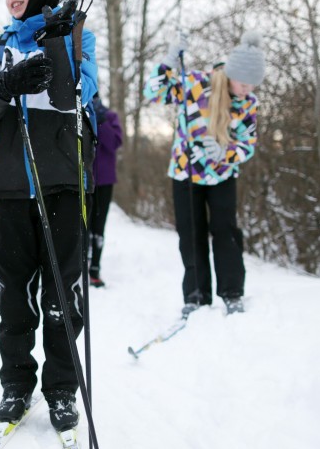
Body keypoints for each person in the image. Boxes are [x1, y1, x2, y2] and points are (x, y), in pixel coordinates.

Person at [0, 0, 98, 432]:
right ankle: (16, 384)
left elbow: (71, 99)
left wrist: (57, 43)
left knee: (61, 295)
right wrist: (6, 82)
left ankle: (61, 389)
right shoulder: (1, 43)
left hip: (61, 185)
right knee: (14, 296)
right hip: (12, 189)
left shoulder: (79, 35)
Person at [143, 31, 264, 316]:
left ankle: (232, 293)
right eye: (244, 82)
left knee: (226, 232)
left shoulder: (248, 104)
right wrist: (170, 59)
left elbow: (248, 145)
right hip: (186, 173)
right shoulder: (197, 85)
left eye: (252, 84)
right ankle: (196, 296)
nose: (247, 89)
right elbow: (153, 92)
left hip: (222, 176)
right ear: (232, 74)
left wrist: (226, 154)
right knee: (191, 234)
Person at [88, 95, 122, 288]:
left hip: (104, 182)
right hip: (82, 180)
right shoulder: (79, 113)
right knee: (82, 225)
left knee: (98, 226)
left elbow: (114, 144)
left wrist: (101, 121)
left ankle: (95, 269)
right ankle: (80, 266)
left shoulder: (109, 117)